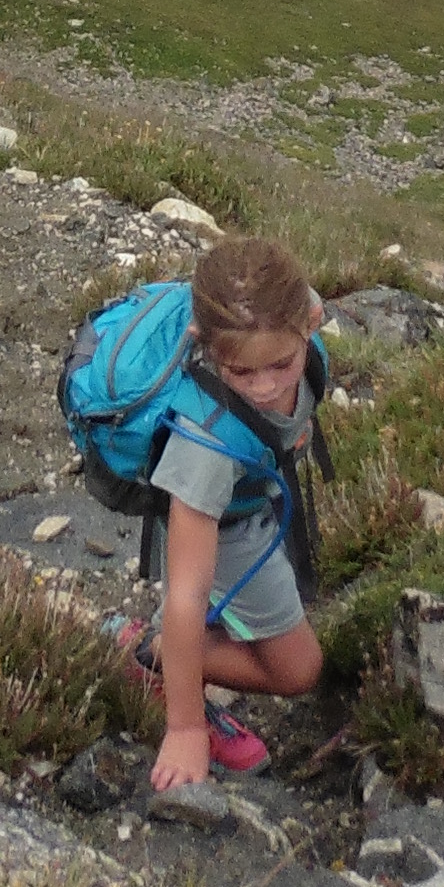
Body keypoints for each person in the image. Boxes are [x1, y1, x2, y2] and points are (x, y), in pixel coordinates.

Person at [127, 233, 328, 793]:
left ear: (311, 322)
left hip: (251, 494)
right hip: (226, 521)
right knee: (298, 670)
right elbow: (186, 592)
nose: (265, 388)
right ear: (204, 345)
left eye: (282, 365)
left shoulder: (296, 317)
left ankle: (173, 652)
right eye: (241, 374)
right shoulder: (204, 445)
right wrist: (185, 729)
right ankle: (151, 656)